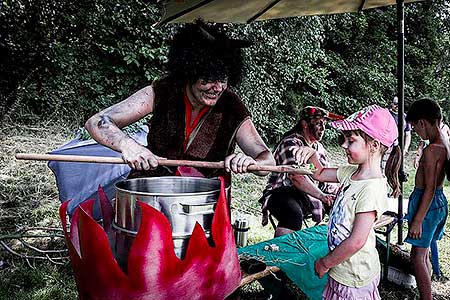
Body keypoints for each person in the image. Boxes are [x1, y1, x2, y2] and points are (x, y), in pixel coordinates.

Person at [85, 20, 275, 179]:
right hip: (152, 194)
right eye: (208, 80)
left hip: (205, 204)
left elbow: (267, 160)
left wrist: (252, 162)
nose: (217, 88)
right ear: (189, 72)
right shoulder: (163, 91)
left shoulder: (231, 106)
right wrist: (128, 145)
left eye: (223, 80)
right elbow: (96, 122)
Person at [293, 105, 401, 299]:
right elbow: (318, 173)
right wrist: (311, 154)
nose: (344, 145)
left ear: (374, 146)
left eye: (350, 141)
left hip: (354, 277)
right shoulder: (351, 173)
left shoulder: (371, 188)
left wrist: (325, 263)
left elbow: (356, 241)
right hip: (342, 269)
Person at [260, 106, 340, 237]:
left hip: (310, 195)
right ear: (305, 124)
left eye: (324, 124)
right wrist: (322, 196)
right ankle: (280, 254)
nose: (323, 128)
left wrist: (335, 195)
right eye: (319, 123)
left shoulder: (318, 148)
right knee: (292, 214)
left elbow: (324, 175)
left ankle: (334, 250)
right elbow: (296, 176)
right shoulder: (291, 143)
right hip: (283, 192)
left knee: (342, 209)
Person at [405, 99, 449, 300]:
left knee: (417, 258)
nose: (415, 131)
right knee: (423, 255)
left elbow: (430, 189)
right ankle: (427, 292)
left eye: (414, 127)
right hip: (437, 204)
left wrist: (418, 220)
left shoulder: (432, 150)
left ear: (422, 122)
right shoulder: (444, 141)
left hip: (427, 204)